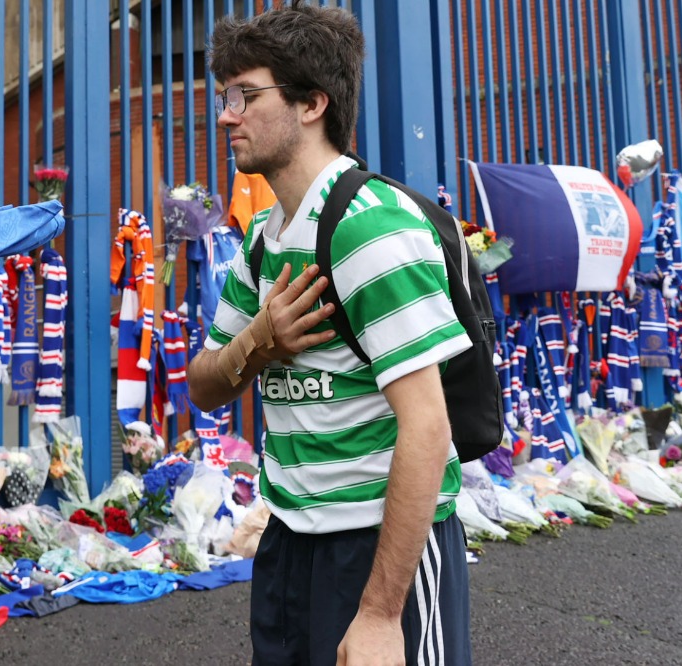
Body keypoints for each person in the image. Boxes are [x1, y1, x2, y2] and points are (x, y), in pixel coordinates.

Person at [188, 4, 473, 665]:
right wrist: (259, 341)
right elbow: (204, 385)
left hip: (382, 547)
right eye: (225, 96)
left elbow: (428, 427)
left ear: (311, 103)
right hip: (290, 542)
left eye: (245, 95)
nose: (226, 114)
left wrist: (379, 614)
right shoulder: (263, 241)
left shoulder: (371, 229)